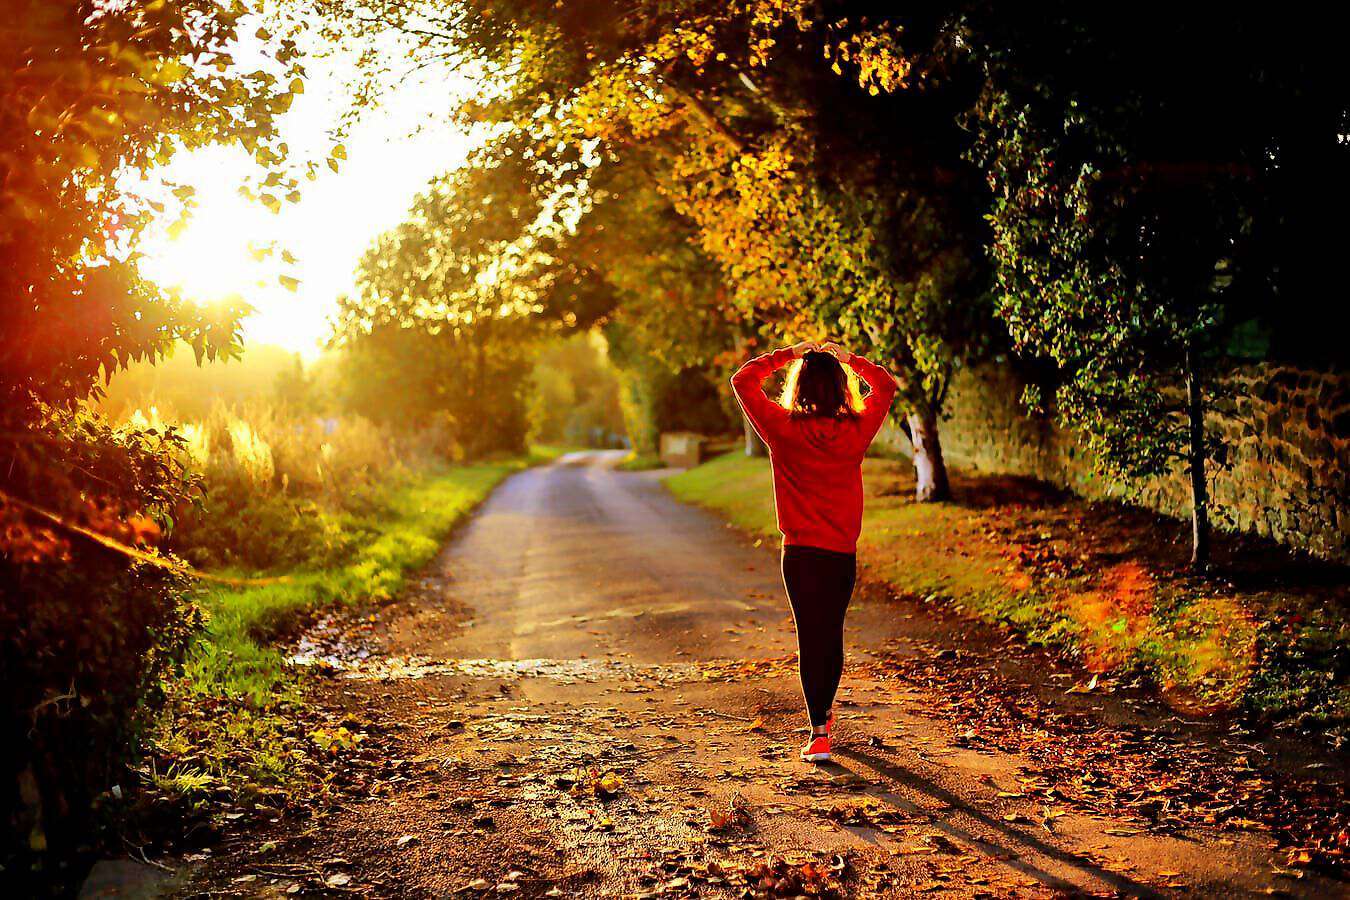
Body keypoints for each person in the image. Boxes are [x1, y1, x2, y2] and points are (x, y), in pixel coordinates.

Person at [730, 340, 898, 762]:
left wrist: (789, 353)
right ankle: (823, 717)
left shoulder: (781, 429)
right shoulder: (856, 431)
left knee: (811, 636)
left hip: (801, 555)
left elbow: (743, 380)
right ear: (841, 388)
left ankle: (818, 732)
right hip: (840, 553)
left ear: (799, 387)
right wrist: (848, 359)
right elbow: (886, 385)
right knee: (831, 633)